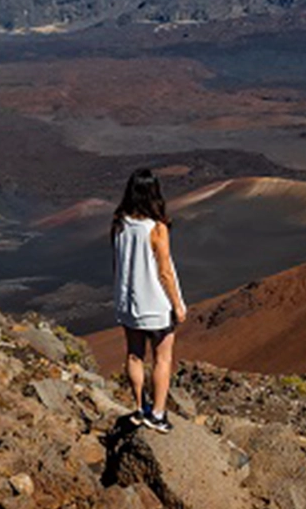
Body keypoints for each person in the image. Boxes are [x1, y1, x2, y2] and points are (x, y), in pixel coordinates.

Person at [112, 168, 187, 433]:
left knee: (134, 355)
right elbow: (165, 271)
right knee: (162, 358)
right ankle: (157, 414)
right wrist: (177, 304)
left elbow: (117, 263)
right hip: (155, 304)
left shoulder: (119, 223)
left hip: (127, 302)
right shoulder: (156, 228)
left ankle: (139, 407)